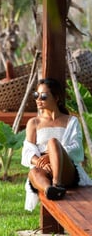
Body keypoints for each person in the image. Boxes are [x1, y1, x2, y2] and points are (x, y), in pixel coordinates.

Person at [21, 78, 92, 211]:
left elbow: (77, 149)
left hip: (66, 171)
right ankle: (50, 190)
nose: (38, 100)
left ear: (56, 98)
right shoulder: (34, 123)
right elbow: (27, 151)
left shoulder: (71, 121)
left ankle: (57, 184)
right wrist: (41, 162)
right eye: (36, 95)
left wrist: (52, 156)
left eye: (43, 96)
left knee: (53, 142)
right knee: (33, 172)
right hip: (44, 170)